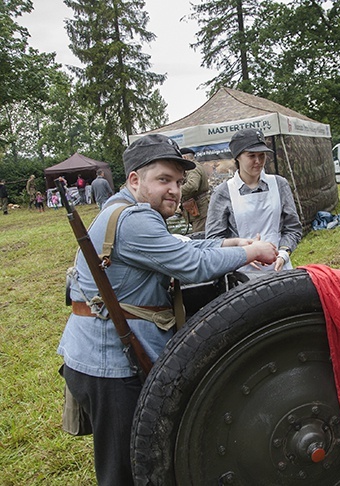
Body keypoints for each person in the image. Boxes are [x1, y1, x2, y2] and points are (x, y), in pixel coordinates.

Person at [57, 133, 278, 485]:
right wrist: (252, 252)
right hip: (110, 367)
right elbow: (191, 264)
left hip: (98, 357)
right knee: (124, 470)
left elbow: (178, 244)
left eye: (177, 181)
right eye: (163, 180)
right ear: (134, 180)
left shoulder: (124, 209)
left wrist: (229, 242)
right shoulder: (135, 221)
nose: (174, 189)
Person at [205, 128, 302, 276]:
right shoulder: (223, 193)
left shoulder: (279, 184)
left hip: (280, 270)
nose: (258, 161)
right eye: (251, 156)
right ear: (237, 157)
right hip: (243, 275)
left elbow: (293, 228)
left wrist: (283, 253)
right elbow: (213, 240)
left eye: (261, 155)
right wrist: (243, 254)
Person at [179, 147, 210, 233]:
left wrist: (177, 191)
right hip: (198, 208)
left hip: (200, 208)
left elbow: (192, 185)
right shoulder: (195, 167)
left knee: (199, 236)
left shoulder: (193, 168)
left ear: (185, 158)